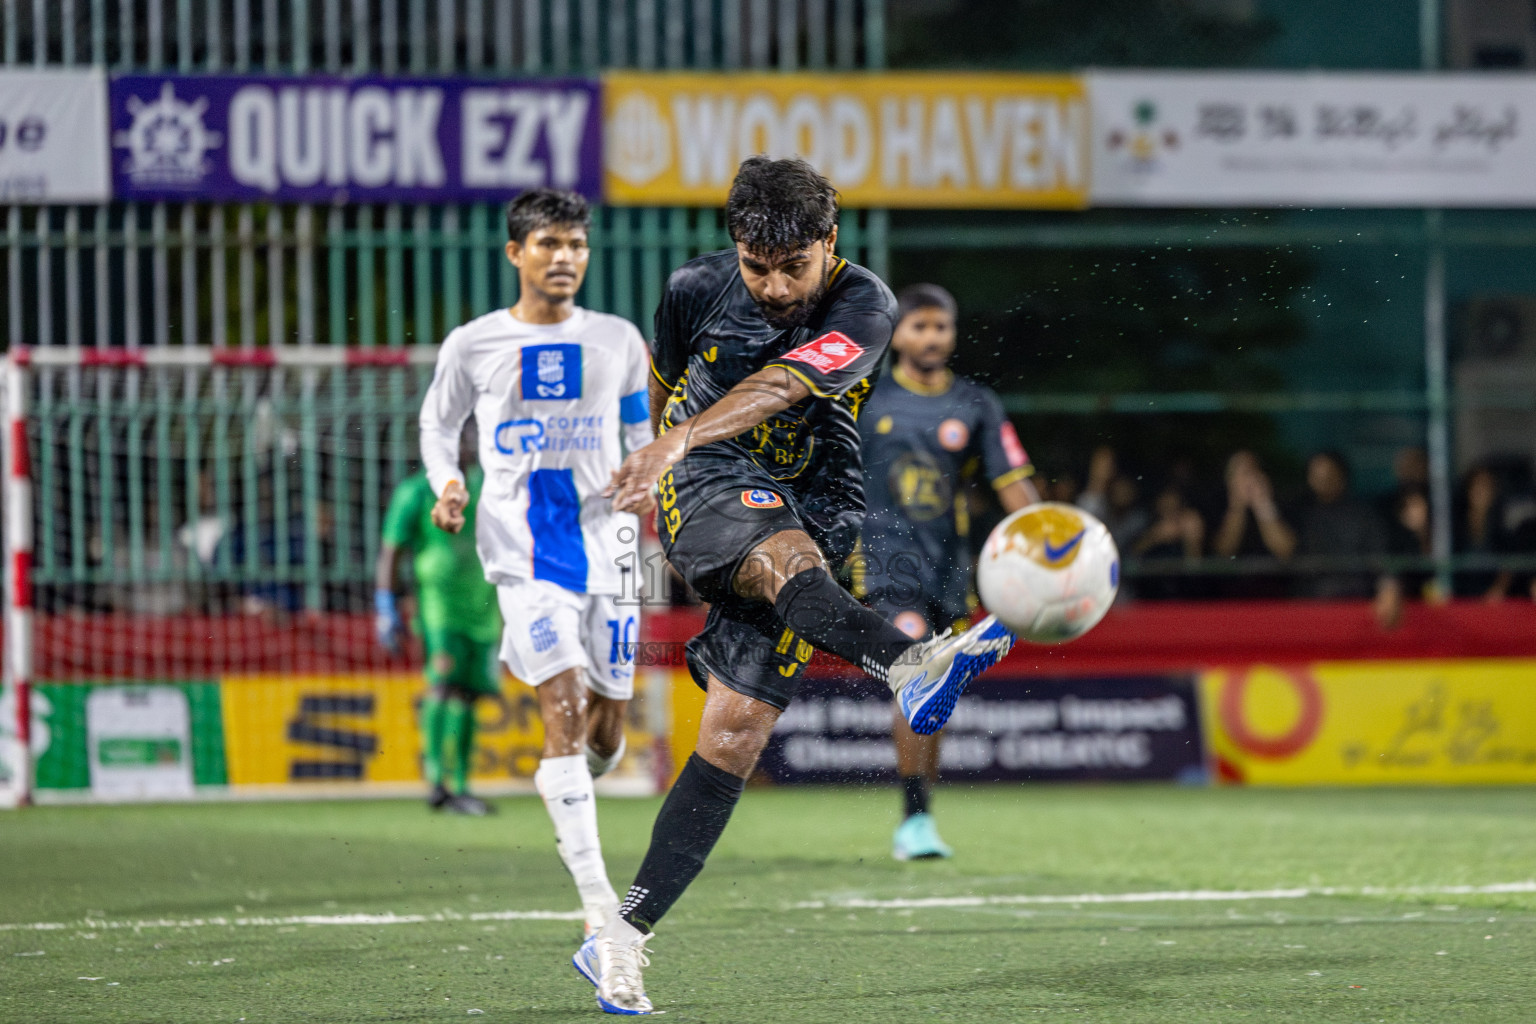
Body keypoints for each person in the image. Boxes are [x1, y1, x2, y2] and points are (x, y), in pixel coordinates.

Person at [573, 157, 1016, 1015]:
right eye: (756, 266)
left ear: (830, 240)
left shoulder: (867, 305)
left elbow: (784, 384)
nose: (774, 285)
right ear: (734, 248)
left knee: (734, 735)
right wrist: (667, 450)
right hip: (706, 475)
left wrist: (678, 433)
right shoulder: (692, 289)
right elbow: (666, 389)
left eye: (792, 266)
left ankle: (619, 939)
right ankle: (909, 664)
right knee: (784, 559)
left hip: (820, 498)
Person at [418, 188, 653, 937]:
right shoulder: (474, 343)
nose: (565, 258)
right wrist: (447, 482)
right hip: (522, 553)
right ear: (516, 253)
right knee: (564, 703)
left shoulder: (618, 340)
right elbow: (437, 422)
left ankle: (574, 780)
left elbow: (642, 437)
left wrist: (650, 486)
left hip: (614, 549)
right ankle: (599, 911)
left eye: (577, 245)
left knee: (608, 731)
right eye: (549, 244)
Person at [857, 283, 1037, 861]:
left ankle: (920, 817)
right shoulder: (868, 401)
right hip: (886, 564)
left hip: (948, 570)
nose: (931, 338)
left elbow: (1012, 482)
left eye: (941, 327)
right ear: (897, 334)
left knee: (940, 691)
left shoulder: (974, 404)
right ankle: (912, 820)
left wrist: (1048, 540)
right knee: (916, 672)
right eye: (919, 326)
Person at [376, 429, 502, 815]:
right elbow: (391, 551)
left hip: (483, 603)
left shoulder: (487, 484)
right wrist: (386, 603)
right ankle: (435, 782)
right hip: (439, 604)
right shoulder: (414, 493)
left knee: (470, 693)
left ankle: (461, 786)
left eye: (468, 440)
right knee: (443, 684)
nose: (465, 448)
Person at [1291, 451, 1401, 629]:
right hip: (1308, 608)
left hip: (1356, 606)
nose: (1322, 479)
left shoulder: (1363, 515)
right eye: (1316, 475)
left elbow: (1381, 559)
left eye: (1328, 473)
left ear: (1342, 476)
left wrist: (1389, 587)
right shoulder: (1299, 513)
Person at [1211, 449, 1295, 598]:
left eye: (1251, 472)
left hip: (1275, 592)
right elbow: (1224, 553)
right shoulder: (1216, 505)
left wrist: (1263, 504)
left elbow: (1286, 551)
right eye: (1241, 474)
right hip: (1229, 595)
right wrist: (1237, 507)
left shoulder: (1280, 505)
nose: (1248, 480)